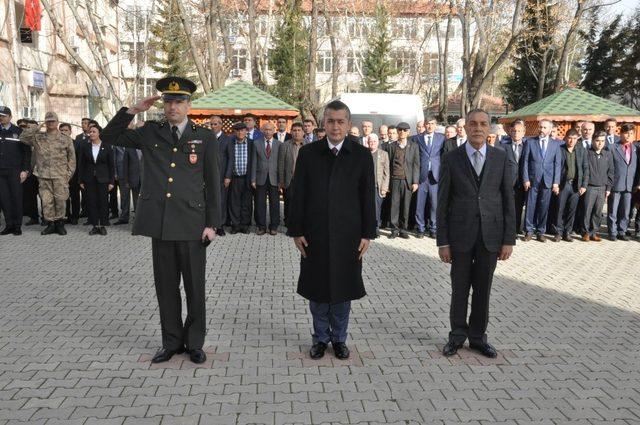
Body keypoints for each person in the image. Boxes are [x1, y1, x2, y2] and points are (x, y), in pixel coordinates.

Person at [101, 76, 221, 364]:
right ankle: (171, 342)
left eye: (179, 102)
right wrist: (132, 110)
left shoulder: (203, 137)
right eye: (168, 101)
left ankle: (194, 343)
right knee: (166, 288)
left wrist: (212, 223)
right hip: (161, 223)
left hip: (192, 223)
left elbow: (213, 181)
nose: (173, 107)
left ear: (189, 105)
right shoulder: (150, 132)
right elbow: (109, 136)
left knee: (195, 288)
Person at [287, 100, 376, 360]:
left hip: (348, 235)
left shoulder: (360, 156)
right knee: (318, 288)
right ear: (323, 123)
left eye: (340, 121)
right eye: (330, 121)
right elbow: (298, 194)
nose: (335, 127)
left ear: (349, 124)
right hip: (314, 233)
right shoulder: (309, 153)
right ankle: (319, 338)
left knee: (342, 288)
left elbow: (366, 197)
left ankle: (339, 338)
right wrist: (296, 230)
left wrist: (367, 234)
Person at [437, 109, 516, 359]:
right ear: (466, 127)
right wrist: (443, 241)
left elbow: (508, 201)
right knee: (459, 289)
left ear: (489, 128)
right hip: (460, 236)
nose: (478, 128)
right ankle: (457, 336)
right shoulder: (451, 158)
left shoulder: (501, 157)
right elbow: (442, 203)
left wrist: (508, 240)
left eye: (483, 124)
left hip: (490, 236)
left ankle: (478, 338)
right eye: (473, 124)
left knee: (483, 289)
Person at [19, 111, 75, 236]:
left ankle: (60, 224)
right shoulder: (38, 137)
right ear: (45, 122)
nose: (50, 123)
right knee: (46, 201)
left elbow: (72, 159)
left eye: (53, 121)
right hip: (43, 175)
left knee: (60, 200)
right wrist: (37, 127)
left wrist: (68, 174)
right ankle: (50, 224)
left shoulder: (65, 139)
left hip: (60, 175)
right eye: (48, 121)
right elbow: (22, 138)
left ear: (57, 122)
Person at [522, 119, 561, 242]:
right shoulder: (530, 142)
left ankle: (540, 231)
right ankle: (528, 231)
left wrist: (556, 182)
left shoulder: (556, 144)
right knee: (530, 206)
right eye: (540, 127)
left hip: (548, 181)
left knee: (544, 206)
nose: (541, 130)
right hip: (533, 180)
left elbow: (557, 164)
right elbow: (525, 162)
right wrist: (526, 178)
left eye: (544, 128)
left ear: (550, 130)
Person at [78, 124, 115, 235]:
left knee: (103, 202)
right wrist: (80, 180)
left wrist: (111, 181)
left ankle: (102, 225)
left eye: (94, 131)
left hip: (103, 179)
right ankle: (95, 225)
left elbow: (111, 166)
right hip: (89, 179)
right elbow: (81, 165)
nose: (91, 134)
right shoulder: (85, 147)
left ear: (99, 133)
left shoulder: (107, 146)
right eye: (90, 132)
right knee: (92, 202)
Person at [552, 129, 588, 242]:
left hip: (576, 185)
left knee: (572, 210)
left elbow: (585, 168)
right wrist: (556, 183)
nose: (572, 141)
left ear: (577, 139)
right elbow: (556, 167)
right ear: (565, 138)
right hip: (563, 184)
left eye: (574, 138)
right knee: (559, 209)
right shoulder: (560, 149)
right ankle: (558, 232)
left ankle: (567, 232)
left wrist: (584, 185)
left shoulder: (581, 150)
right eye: (569, 138)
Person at [0, 106, 30, 236]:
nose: (1, 118)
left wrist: (25, 170)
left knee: (16, 198)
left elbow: (26, 153)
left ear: (10, 117)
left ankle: (17, 225)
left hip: (15, 170)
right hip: (1, 170)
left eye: (4, 116)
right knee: (4, 199)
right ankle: (9, 224)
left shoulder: (19, 132)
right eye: (0, 116)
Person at [387, 122, 420, 239]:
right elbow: (389, 164)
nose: (402, 132)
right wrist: (387, 183)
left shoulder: (414, 146)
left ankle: (403, 229)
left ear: (408, 132)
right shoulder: (391, 147)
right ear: (397, 131)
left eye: (405, 130)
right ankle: (394, 230)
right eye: (400, 130)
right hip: (395, 180)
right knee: (394, 206)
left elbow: (416, 165)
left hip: (408, 181)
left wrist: (415, 181)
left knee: (406, 206)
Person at [607, 124, 639, 241]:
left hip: (629, 185)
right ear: (620, 134)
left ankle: (622, 231)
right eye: (626, 133)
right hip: (615, 184)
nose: (628, 136)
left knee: (625, 211)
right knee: (613, 210)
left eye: (631, 134)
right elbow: (608, 168)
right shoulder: (612, 147)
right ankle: (612, 232)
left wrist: (636, 183)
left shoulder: (636, 148)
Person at [415, 116, 444, 238]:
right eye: (428, 124)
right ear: (424, 125)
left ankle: (434, 228)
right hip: (422, 176)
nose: (430, 126)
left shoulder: (441, 138)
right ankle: (420, 228)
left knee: (434, 204)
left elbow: (444, 156)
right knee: (419, 204)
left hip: (435, 176)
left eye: (432, 124)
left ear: (435, 125)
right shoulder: (417, 138)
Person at [582, 132, 614, 242]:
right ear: (593, 141)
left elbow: (611, 172)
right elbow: (584, 171)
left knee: (597, 212)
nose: (600, 143)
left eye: (602, 141)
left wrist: (608, 188)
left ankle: (593, 232)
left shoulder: (608, 154)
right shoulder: (587, 153)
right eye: (597, 140)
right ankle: (586, 232)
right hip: (590, 187)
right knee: (587, 211)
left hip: (602, 188)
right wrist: (584, 186)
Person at [251, 121, 280, 235]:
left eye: (270, 129)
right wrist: (253, 179)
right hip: (260, 178)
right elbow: (254, 162)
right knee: (259, 203)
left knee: (275, 203)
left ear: (274, 130)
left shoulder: (279, 144)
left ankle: (274, 226)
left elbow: (280, 163)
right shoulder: (256, 143)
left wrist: (280, 180)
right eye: (266, 129)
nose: (268, 131)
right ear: (262, 130)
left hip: (274, 178)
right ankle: (261, 226)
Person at [225, 122, 254, 234]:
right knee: (234, 202)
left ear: (246, 131)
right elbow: (228, 160)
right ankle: (235, 225)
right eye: (237, 131)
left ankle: (245, 225)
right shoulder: (230, 144)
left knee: (246, 202)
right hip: (234, 177)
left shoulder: (252, 144)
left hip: (247, 177)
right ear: (234, 132)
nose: (240, 133)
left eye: (242, 130)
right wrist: (227, 176)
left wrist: (253, 178)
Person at [500, 120, 527, 234]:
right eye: (514, 131)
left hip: (522, 182)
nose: (516, 133)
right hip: (508, 182)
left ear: (523, 133)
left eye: (519, 131)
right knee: (506, 207)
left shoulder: (527, 146)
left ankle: (515, 229)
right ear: (510, 132)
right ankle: (506, 229)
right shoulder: (503, 146)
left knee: (518, 207)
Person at [278, 122, 306, 227]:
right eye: (294, 130)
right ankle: (289, 224)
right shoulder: (285, 145)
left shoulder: (309, 146)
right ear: (291, 132)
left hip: (304, 181)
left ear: (303, 132)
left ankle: (301, 224)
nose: (297, 133)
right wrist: (281, 181)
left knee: (302, 203)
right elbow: (281, 164)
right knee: (289, 203)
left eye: (299, 130)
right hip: (289, 180)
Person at [210, 115, 230, 235]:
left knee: (222, 201)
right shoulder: (207, 137)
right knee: (210, 201)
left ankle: (220, 225)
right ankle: (211, 224)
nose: (213, 126)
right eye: (211, 124)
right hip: (208, 175)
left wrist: (228, 176)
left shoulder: (227, 139)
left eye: (215, 124)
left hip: (222, 176)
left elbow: (230, 159)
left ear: (221, 125)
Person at [368, 134, 389, 233]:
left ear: (378, 142)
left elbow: (386, 173)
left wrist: (384, 187)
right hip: (366, 186)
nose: (372, 143)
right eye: (370, 141)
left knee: (376, 208)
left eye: (374, 141)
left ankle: (376, 228)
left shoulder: (384, 154)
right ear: (368, 142)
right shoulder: (364, 153)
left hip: (378, 186)